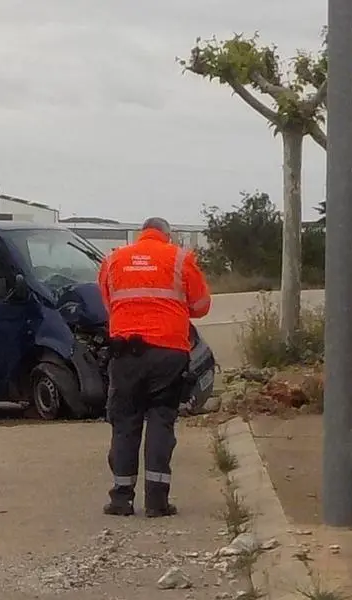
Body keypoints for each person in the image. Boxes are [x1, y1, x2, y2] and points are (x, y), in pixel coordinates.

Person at [97, 217, 211, 518]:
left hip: (125, 352)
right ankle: (157, 502)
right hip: (168, 352)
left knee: (125, 423)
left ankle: (121, 499)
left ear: (140, 234)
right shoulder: (180, 258)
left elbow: (110, 304)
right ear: (167, 235)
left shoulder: (113, 259)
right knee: (161, 420)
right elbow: (201, 306)